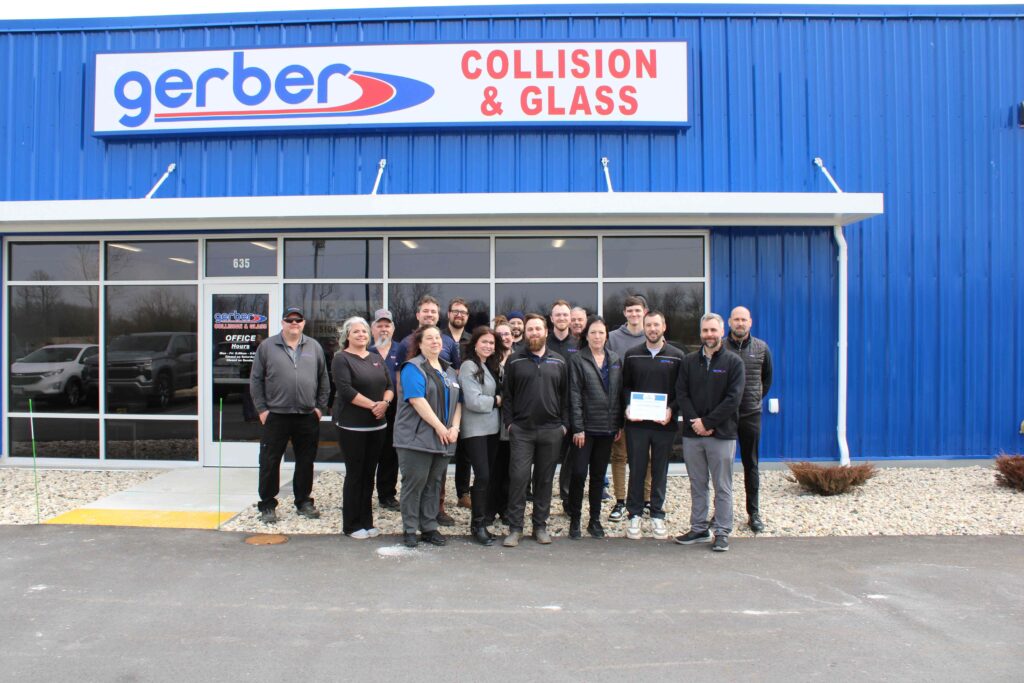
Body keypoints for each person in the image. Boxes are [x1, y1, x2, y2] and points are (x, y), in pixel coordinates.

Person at [250, 307, 331, 524]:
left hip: (306, 415)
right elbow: (256, 379)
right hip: (276, 415)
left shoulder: (313, 346)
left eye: (298, 320)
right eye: (290, 320)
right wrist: (262, 409)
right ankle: (267, 505)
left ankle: (303, 501)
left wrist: (320, 407)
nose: (294, 323)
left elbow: (324, 378)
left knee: (305, 460)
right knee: (269, 460)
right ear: (283, 322)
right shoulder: (267, 346)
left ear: (303, 323)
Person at [674, 313, 746, 552]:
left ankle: (722, 532)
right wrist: (697, 422)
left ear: (721, 331)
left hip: (721, 434)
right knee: (697, 484)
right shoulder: (689, 361)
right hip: (693, 435)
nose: (709, 335)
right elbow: (681, 393)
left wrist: (708, 422)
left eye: (713, 330)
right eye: (705, 331)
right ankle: (699, 528)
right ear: (700, 333)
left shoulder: (734, 363)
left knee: (722, 485)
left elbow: (733, 399)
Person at [501, 313, 569, 547]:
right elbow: (507, 396)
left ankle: (540, 526)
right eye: (530, 329)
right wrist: (509, 423)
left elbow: (566, 396)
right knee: (518, 478)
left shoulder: (559, 361)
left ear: (546, 332)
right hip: (522, 431)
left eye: (538, 329)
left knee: (544, 479)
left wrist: (563, 426)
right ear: (525, 333)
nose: (534, 333)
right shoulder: (515, 360)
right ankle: (515, 528)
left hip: (551, 431)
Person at [393, 294, 460, 526]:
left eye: (438, 338)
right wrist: (442, 427)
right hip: (416, 437)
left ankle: (429, 526)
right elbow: (417, 401)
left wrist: (455, 428)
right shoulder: (413, 368)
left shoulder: (449, 371)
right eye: (429, 338)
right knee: (415, 485)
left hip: (444, 439)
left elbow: (458, 401)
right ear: (419, 344)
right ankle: (411, 529)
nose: (435, 342)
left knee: (434, 486)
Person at [621, 310, 685, 541]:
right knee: (637, 469)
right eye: (649, 325)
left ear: (664, 326)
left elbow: (682, 390)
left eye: (656, 325)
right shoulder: (632, 355)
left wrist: (672, 410)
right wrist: (628, 405)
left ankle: (657, 513)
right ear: (644, 327)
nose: (653, 329)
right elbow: (625, 386)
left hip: (664, 424)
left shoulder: (677, 356)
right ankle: (634, 514)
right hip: (637, 424)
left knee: (660, 470)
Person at [332, 316, 394, 539]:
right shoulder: (341, 358)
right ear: (347, 335)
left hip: (377, 427)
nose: (361, 335)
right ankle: (351, 524)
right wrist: (374, 406)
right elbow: (346, 390)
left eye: (364, 332)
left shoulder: (376, 358)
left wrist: (385, 403)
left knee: (369, 475)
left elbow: (389, 386)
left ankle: (367, 522)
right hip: (353, 427)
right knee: (355, 475)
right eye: (356, 332)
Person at [567, 315, 623, 539]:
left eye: (601, 332)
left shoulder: (616, 359)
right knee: (579, 473)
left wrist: (619, 423)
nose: (597, 336)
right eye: (593, 333)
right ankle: (575, 519)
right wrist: (577, 428)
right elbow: (574, 395)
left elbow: (619, 393)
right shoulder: (578, 360)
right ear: (586, 336)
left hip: (608, 428)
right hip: (585, 429)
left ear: (606, 335)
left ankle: (594, 520)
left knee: (599, 476)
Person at [725, 306, 774, 533]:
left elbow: (766, 379)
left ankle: (753, 512)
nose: (740, 323)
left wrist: (754, 398)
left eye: (743, 319)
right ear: (729, 322)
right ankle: (722, 510)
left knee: (750, 464)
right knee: (722, 466)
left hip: (750, 414)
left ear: (750, 322)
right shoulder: (721, 348)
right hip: (724, 416)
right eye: (736, 319)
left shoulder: (761, 348)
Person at [605, 295, 651, 521]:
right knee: (619, 455)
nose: (634, 314)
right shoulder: (612, 338)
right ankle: (621, 501)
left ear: (645, 311)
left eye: (638, 310)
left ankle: (646, 499)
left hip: (647, 405)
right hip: (621, 404)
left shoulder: (653, 334)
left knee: (646, 456)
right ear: (624, 313)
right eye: (630, 311)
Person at [458, 326, 502, 546]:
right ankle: (477, 524)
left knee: (488, 477)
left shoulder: (490, 366)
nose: (488, 346)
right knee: (482, 476)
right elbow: (473, 401)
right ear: (474, 343)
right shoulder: (468, 366)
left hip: (492, 429)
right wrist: (496, 401)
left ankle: (482, 520)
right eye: (484, 342)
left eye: (492, 343)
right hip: (474, 430)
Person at [369, 309, 401, 510]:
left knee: (390, 454)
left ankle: (387, 495)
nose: (383, 329)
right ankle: (363, 493)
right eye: (379, 325)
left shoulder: (402, 349)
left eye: (387, 325)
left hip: (395, 409)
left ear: (393, 329)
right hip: (368, 409)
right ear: (372, 329)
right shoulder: (364, 349)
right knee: (369, 453)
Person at [447, 297, 475, 510]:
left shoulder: (472, 340)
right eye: (456, 311)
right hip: (442, 399)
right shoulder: (438, 338)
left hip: (464, 400)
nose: (459, 315)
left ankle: (463, 492)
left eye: (463, 312)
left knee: (464, 451)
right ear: (448, 314)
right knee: (440, 447)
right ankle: (435, 496)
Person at [488, 318, 515, 525]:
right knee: (493, 468)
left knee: (509, 469)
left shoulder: (520, 358)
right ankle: (490, 508)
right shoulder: (489, 360)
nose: (505, 337)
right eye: (501, 334)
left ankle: (506, 509)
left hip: (512, 424)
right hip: (491, 422)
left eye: (508, 333)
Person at [394, 295, 460, 367]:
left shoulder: (449, 342)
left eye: (433, 311)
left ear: (438, 316)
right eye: (425, 311)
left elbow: (456, 371)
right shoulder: (405, 343)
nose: (429, 314)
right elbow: (399, 373)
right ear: (418, 315)